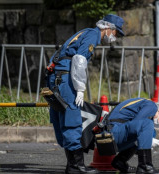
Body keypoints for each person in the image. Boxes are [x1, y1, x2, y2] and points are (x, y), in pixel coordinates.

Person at [46, 14, 124, 174]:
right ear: (109, 28)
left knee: (61, 118)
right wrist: (80, 88)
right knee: (72, 118)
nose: (115, 37)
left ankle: (71, 165)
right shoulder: (93, 35)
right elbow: (79, 60)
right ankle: (76, 167)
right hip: (65, 77)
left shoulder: (85, 31)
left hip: (55, 76)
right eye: (116, 33)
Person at [107, 98, 159, 174]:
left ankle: (120, 161)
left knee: (151, 132)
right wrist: (150, 141)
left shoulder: (146, 106)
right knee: (146, 124)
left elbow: (135, 127)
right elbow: (139, 123)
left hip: (111, 137)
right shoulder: (152, 105)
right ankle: (145, 167)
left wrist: (149, 141)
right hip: (113, 132)